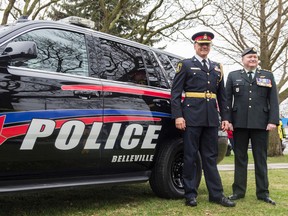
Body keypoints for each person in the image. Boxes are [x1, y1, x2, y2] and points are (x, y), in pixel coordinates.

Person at [171, 31, 235, 207]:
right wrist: (178, 116)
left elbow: (222, 96)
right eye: (201, 45)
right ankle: (190, 194)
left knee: (210, 157)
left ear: (210, 47)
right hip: (191, 117)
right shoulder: (185, 65)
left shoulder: (217, 67)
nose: (204, 47)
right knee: (190, 156)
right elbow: (175, 93)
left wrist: (225, 117)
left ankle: (216, 194)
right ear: (195, 46)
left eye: (207, 45)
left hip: (211, 119)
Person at [226, 48, 279, 205]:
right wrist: (227, 120)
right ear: (243, 59)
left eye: (255, 57)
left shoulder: (267, 75)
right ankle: (238, 191)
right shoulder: (233, 75)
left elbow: (273, 100)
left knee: (260, 159)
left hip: (261, 124)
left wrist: (273, 120)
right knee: (240, 158)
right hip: (239, 124)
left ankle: (263, 193)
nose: (253, 59)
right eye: (250, 57)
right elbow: (227, 100)